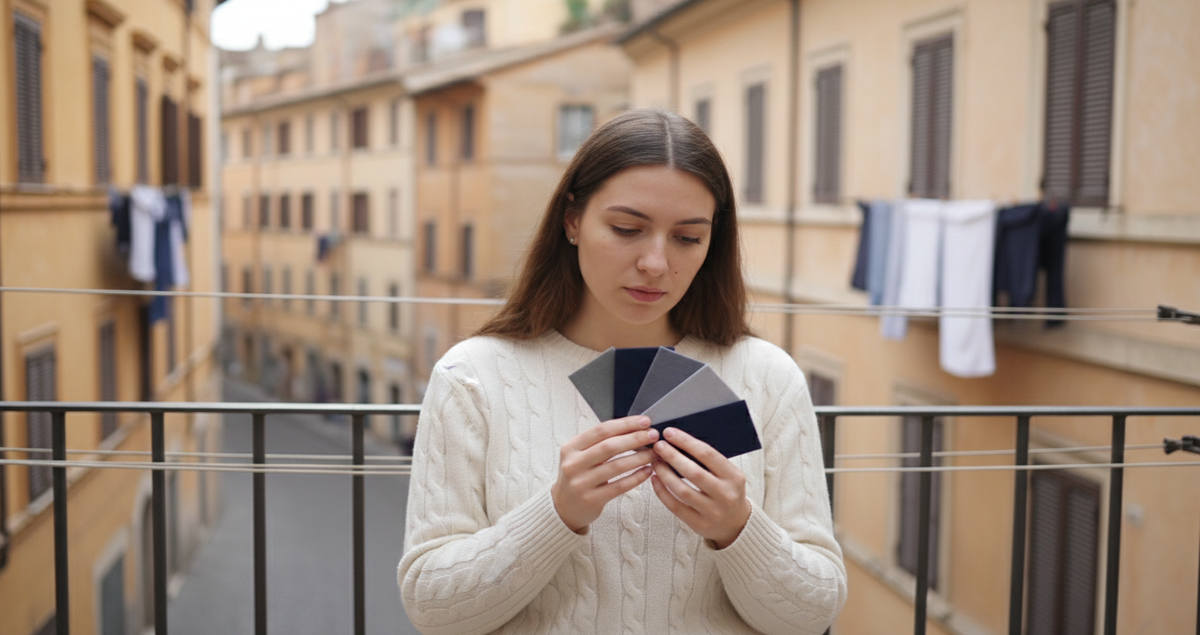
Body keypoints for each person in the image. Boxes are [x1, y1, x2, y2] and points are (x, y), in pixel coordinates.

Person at [398, 108, 847, 635]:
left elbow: (814, 613)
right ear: (572, 221)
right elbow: (431, 609)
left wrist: (737, 529)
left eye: (687, 238)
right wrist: (556, 514)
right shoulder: (473, 377)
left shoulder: (769, 377)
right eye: (627, 229)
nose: (656, 262)